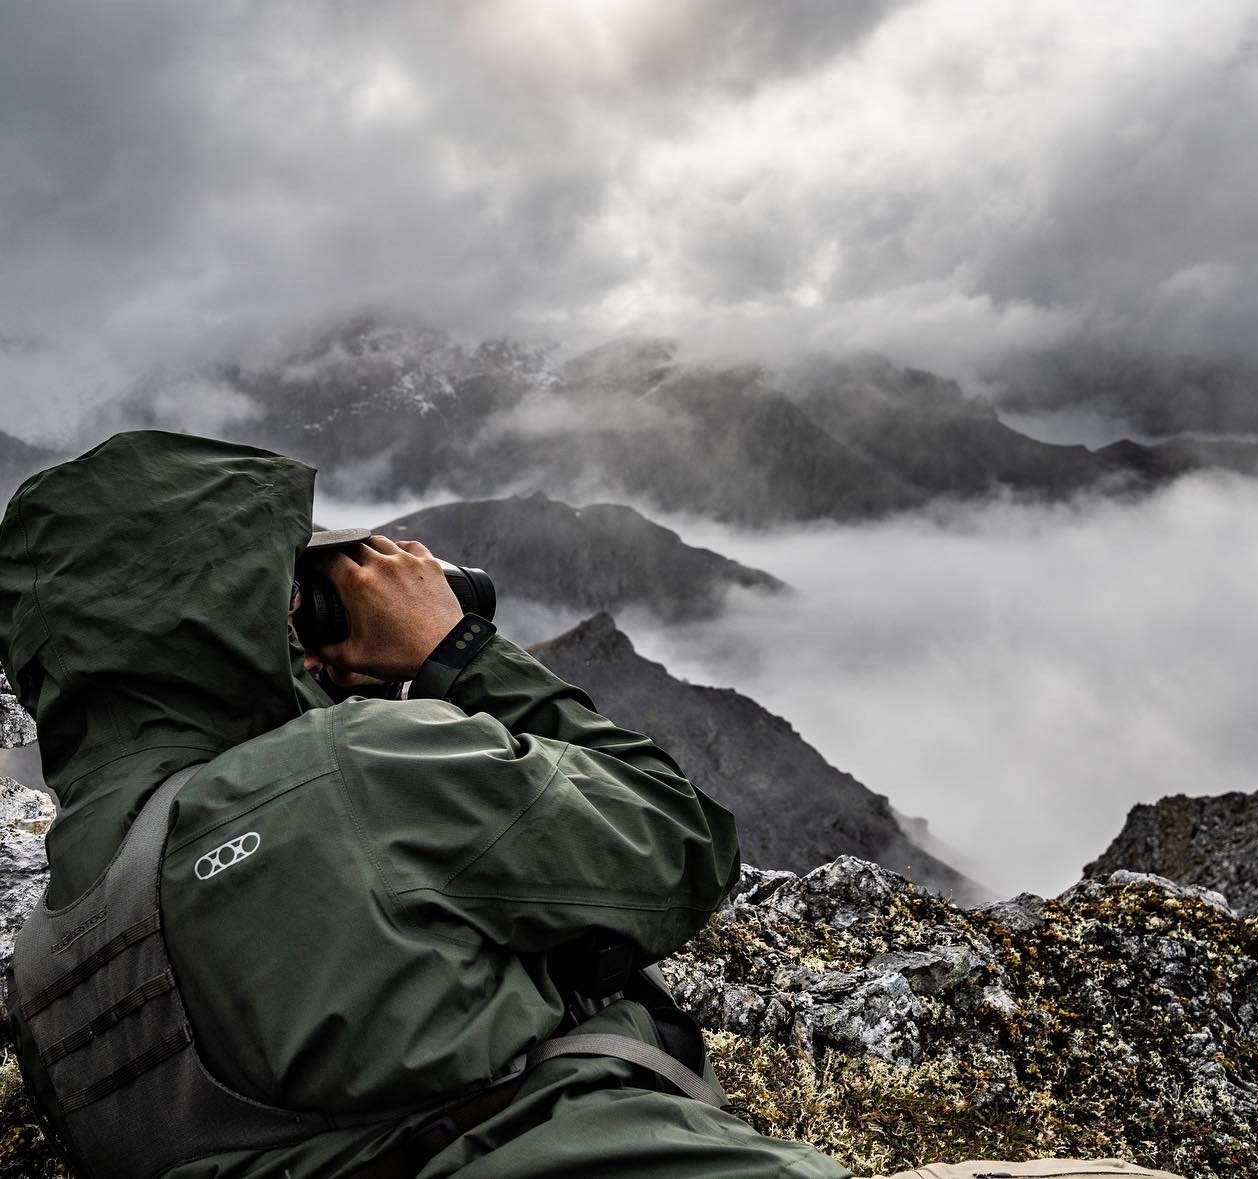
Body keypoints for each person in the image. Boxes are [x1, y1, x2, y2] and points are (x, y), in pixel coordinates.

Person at [0, 430, 1185, 1179]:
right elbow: (679, 844)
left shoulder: (45, 960)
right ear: (217, 625)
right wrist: (460, 655)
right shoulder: (356, 774)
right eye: (281, 589)